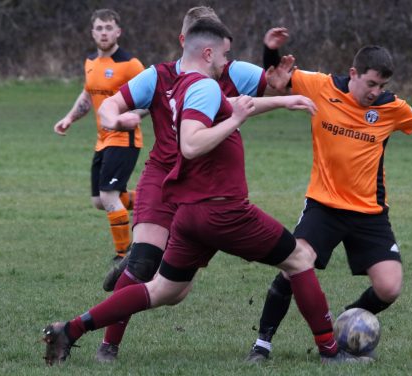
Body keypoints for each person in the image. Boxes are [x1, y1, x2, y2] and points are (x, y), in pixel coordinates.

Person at [42, 18, 362, 366]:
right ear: (208, 52)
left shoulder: (186, 86)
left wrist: (285, 101)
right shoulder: (204, 88)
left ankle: (70, 330)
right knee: (300, 259)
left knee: (165, 291)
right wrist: (236, 120)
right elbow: (192, 144)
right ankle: (331, 353)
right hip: (223, 210)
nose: (229, 61)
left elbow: (238, 104)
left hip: (189, 214)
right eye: (225, 54)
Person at [246, 28, 412, 362]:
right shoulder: (320, 86)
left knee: (389, 288)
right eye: (371, 83)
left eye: (381, 86)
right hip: (323, 207)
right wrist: (270, 52)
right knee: (294, 265)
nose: (376, 91)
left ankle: (345, 322)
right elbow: (278, 79)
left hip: (370, 213)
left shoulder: (390, 107)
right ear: (353, 73)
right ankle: (262, 345)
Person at [92, 6, 301, 363]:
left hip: (207, 186)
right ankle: (108, 345)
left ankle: (131, 271)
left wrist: (274, 64)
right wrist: (117, 121)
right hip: (164, 176)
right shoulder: (158, 75)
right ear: (185, 40)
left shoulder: (234, 71)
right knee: (144, 264)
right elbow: (109, 106)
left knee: (176, 293)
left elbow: (278, 81)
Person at [52, 9, 144, 262]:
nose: (104, 33)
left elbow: (150, 96)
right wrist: (69, 118)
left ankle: (124, 255)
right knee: (99, 201)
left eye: (108, 28)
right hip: (102, 140)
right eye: (99, 28)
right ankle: (154, 202)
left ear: (118, 32)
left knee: (109, 196)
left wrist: (134, 115)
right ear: (93, 33)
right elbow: (87, 95)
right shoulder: (90, 62)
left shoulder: (130, 64)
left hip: (124, 138)